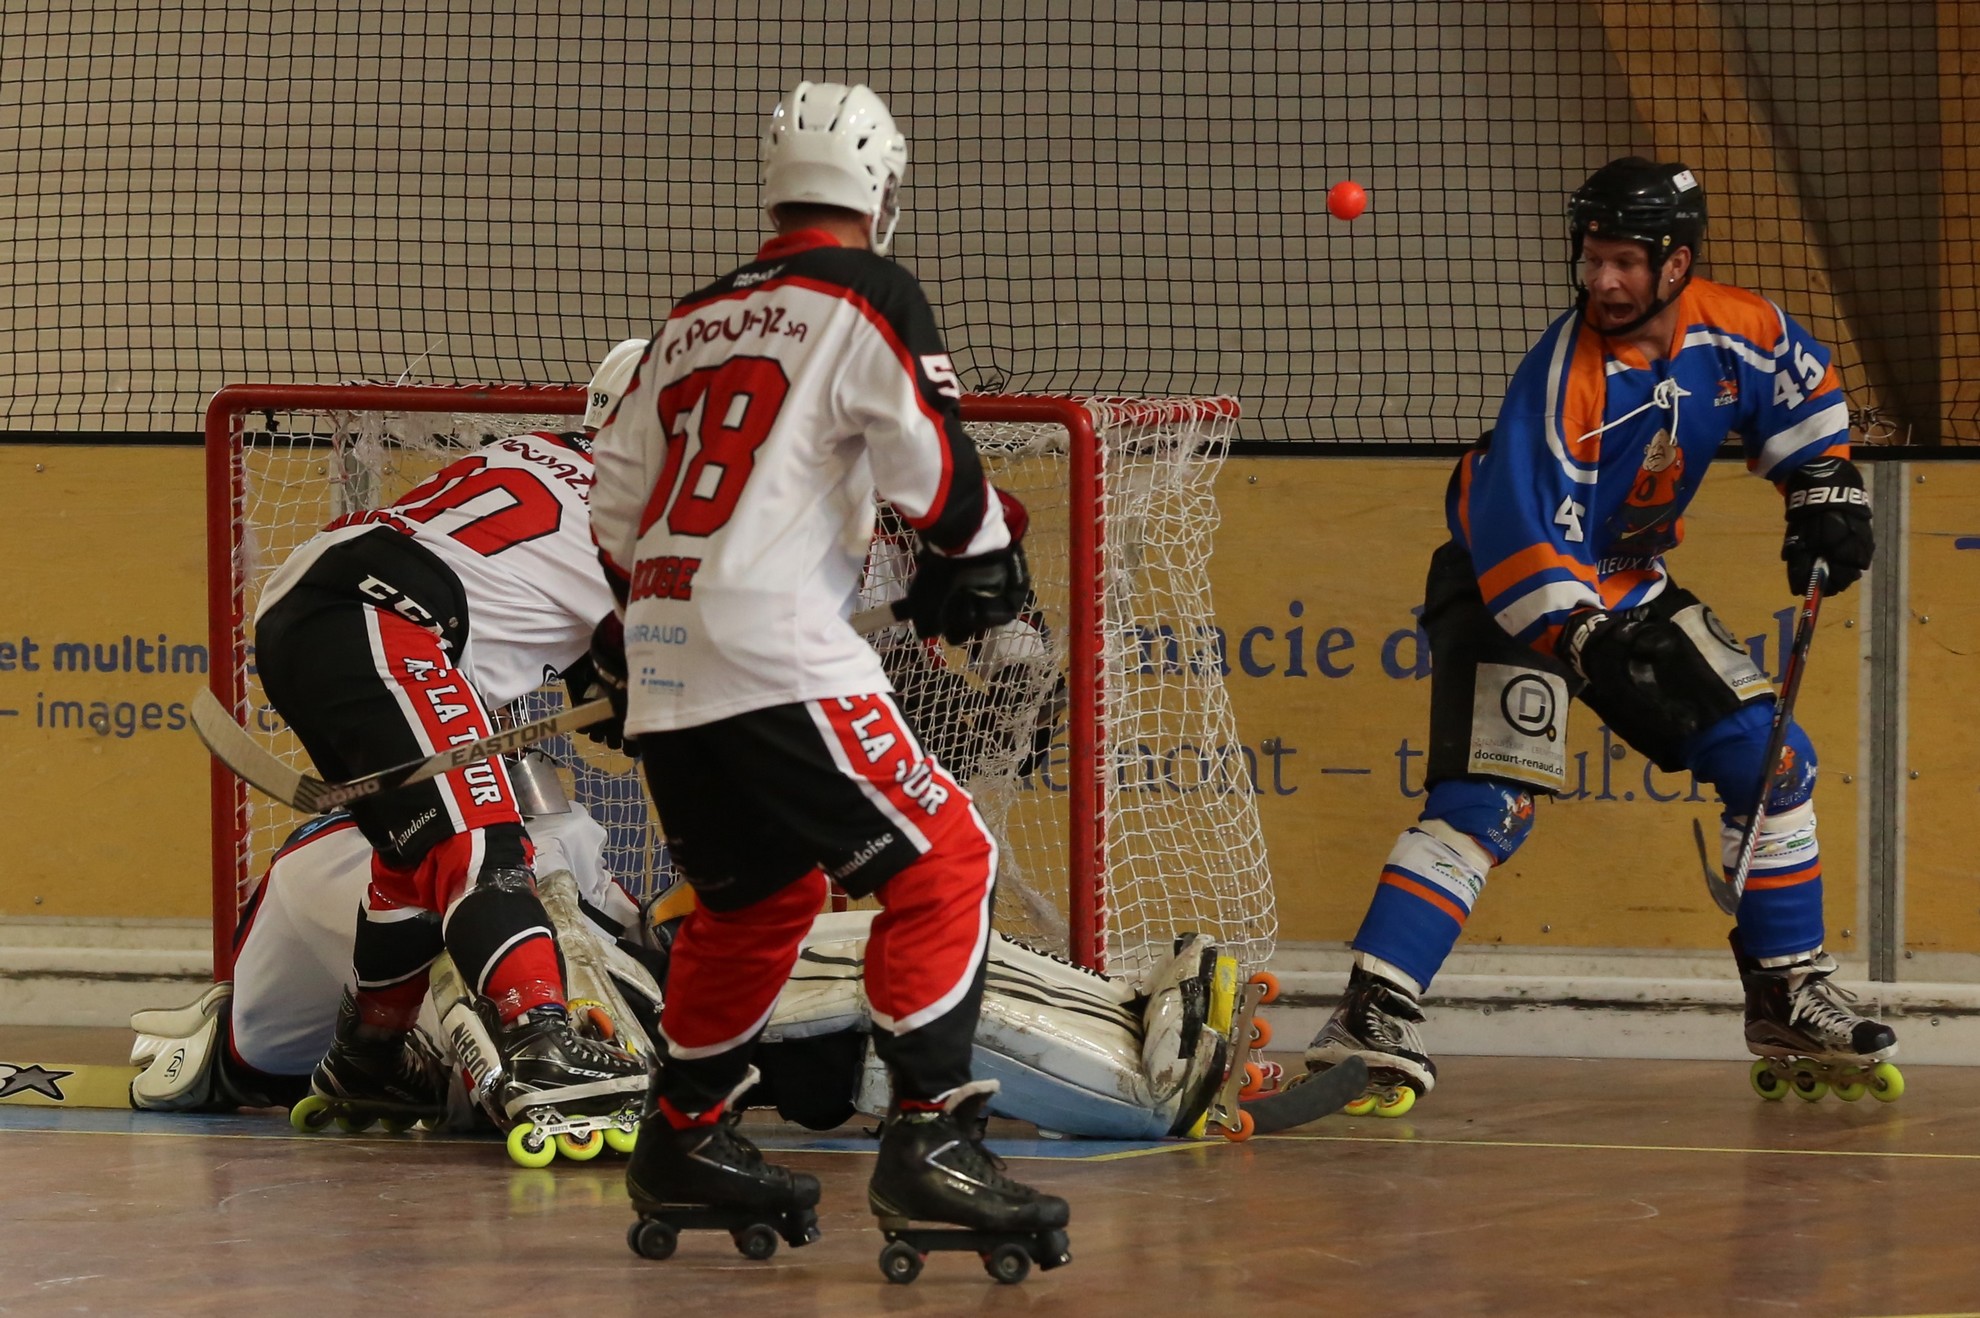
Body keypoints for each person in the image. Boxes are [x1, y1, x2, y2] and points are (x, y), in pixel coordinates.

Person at [588, 80, 1070, 1254]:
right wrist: (983, 566)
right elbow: (931, 461)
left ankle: (684, 1137)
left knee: (758, 900)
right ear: (882, 190)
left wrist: (648, 631)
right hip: (776, 649)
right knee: (946, 859)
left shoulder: (687, 318)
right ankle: (933, 1141)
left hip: (666, 650)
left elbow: (613, 508)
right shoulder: (868, 291)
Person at [1302, 158, 1890, 1113]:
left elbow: (1804, 393)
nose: (1602, 280)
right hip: (1508, 592)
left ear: (1676, 263)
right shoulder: (1562, 381)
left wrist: (1821, 485)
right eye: (1592, 258)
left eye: (1623, 261)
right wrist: (1583, 640)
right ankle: (1371, 1012)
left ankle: (1787, 994)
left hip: (1628, 582)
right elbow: (1517, 535)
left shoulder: (1736, 328)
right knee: (1489, 802)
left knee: (1772, 758)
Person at [242, 341, 654, 1132]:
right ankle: (542, 1043)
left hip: (320, 600)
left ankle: (370, 1056)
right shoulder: (651, 514)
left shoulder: (542, 451)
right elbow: (655, 680)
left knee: (412, 862)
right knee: (482, 842)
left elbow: (592, 653)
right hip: (386, 618)